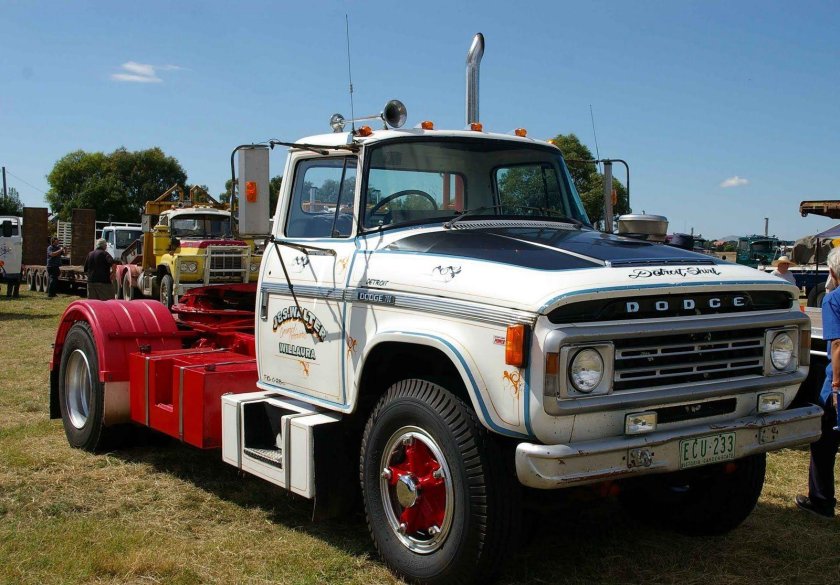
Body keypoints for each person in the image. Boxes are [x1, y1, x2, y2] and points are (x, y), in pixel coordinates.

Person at [796, 246, 840, 518]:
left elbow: (837, 344)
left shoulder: (833, 300)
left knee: (824, 440)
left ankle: (822, 500)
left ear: (832, 272)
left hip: (836, 382)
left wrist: (836, 385)